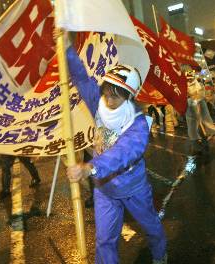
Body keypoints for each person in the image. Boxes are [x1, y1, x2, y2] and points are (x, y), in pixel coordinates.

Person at [65, 44, 167, 263]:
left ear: (129, 97)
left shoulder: (138, 123)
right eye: (107, 93)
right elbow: (82, 78)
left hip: (134, 189)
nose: (109, 101)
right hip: (104, 189)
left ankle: (160, 255)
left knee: (151, 226)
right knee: (104, 241)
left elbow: (124, 152)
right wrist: (66, 49)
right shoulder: (99, 103)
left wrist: (91, 167)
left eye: (116, 97)